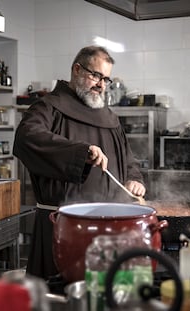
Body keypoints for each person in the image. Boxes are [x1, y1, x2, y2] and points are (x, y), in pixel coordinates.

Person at [13, 45, 146, 281]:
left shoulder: (110, 118)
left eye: (106, 79)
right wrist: (80, 152)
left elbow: (128, 158)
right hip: (63, 226)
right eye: (95, 75)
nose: (101, 84)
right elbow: (26, 137)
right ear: (76, 69)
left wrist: (134, 178)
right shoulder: (49, 107)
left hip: (107, 229)